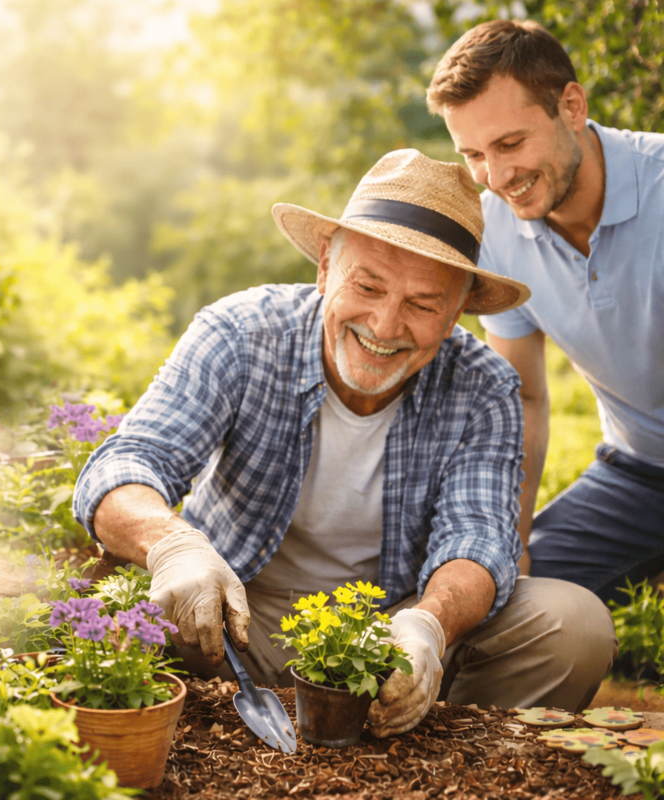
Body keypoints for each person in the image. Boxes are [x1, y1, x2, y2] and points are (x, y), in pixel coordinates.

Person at [73, 149, 616, 735]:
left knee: (574, 625)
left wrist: (427, 626)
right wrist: (174, 547)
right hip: (236, 619)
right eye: (369, 285)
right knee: (112, 612)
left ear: (458, 309)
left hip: (390, 628)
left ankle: (438, 737)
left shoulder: (483, 386)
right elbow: (127, 463)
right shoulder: (239, 334)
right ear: (326, 266)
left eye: (422, 304)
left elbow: (478, 538)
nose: (384, 326)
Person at [427, 19, 664, 605]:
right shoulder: (497, 232)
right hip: (636, 474)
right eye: (475, 154)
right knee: (512, 606)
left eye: (510, 144)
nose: (498, 176)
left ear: (573, 106)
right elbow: (524, 396)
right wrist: (513, 541)